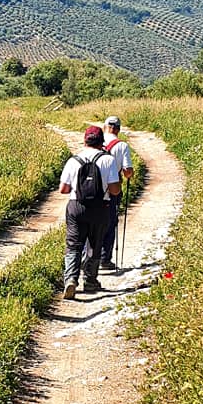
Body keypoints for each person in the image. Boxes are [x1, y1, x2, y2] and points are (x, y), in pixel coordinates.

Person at [59, 125, 120, 298]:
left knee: (73, 244)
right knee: (95, 244)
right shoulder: (108, 160)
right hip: (100, 208)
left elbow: (63, 189)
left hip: (76, 206)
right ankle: (90, 281)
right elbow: (115, 190)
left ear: (84, 140)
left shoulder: (74, 160)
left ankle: (70, 279)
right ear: (102, 142)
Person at [98, 116, 134, 271]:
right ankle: (105, 260)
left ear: (105, 126)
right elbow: (127, 172)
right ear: (118, 129)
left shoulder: (95, 142)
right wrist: (130, 174)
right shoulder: (122, 146)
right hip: (113, 189)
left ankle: (88, 257)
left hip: (92, 189)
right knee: (110, 222)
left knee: (92, 223)